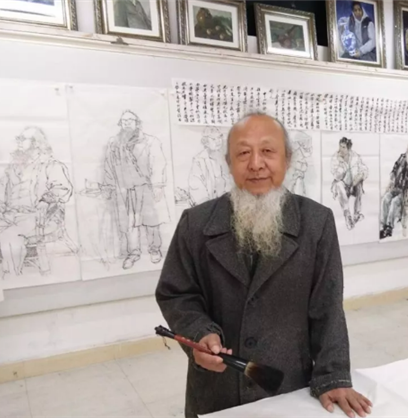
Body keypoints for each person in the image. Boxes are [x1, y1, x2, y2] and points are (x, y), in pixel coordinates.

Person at [155, 113, 372, 418]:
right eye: (243, 153)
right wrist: (200, 334)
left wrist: (332, 375)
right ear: (229, 163)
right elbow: (176, 293)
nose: (256, 164)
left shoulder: (316, 222)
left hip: (287, 384)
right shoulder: (196, 223)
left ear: (287, 159)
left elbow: (327, 305)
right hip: (217, 389)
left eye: (268, 151)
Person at [0, 127, 73, 276]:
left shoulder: (51, 164)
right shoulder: (13, 166)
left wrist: (46, 200)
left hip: (40, 217)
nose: (19, 142)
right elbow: (1, 190)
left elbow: (63, 188)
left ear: (36, 143)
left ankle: (13, 279)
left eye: (23, 139)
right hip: (10, 215)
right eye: (18, 139)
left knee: (8, 237)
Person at [103, 110, 170, 270]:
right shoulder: (114, 143)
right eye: (123, 120)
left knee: (151, 221)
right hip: (125, 189)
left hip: (145, 187)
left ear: (137, 122)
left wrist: (158, 185)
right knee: (130, 224)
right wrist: (109, 185)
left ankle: (154, 249)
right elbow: (109, 165)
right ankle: (133, 253)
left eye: (130, 120)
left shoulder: (150, 141)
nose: (126, 123)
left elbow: (158, 163)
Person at [186, 127, 231, 207]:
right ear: (206, 142)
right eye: (213, 139)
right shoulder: (199, 160)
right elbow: (196, 186)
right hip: (206, 206)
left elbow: (229, 182)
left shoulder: (224, 158)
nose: (218, 141)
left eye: (219, 137)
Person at [330, 137, 368, 230]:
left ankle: (356, 214)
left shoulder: (355, 156)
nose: (341, 149)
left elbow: (364, 168)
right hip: (343, 186)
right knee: (339, 184)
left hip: (353, 185)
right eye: (340, 146)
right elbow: (337, 176)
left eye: (343, 147)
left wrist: (360, 175)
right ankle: (347, 216)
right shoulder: (335, 158)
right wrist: (343, 165)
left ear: (349, 148)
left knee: (359, 185)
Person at [285, 131, 312, 196]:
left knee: (298, 187)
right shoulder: (296, 150)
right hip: (295, 172)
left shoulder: (301, 151)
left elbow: (306, 154)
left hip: (298, 173)